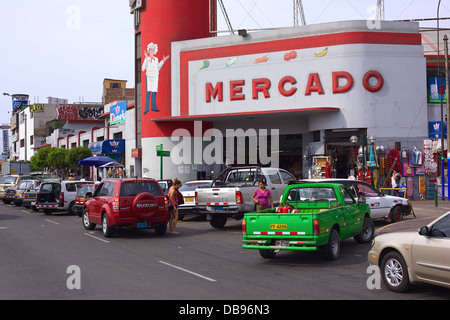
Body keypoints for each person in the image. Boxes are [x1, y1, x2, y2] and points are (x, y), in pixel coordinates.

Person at [141, 42, 169, 114]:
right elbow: (143, 68)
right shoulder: (147, 59)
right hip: (149, 76)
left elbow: (158, 67)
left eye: (153, 50)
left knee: (154, 92)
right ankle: (146, 108)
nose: (152, 51)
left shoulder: (156, 59)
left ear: (155, 51)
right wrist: (145, 58)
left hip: (155, 76)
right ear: (148, 50)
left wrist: (163, 60)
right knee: (148, 92)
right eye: (151, 49)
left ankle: (153, 107)